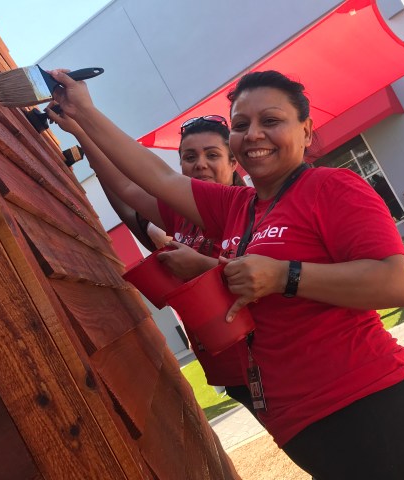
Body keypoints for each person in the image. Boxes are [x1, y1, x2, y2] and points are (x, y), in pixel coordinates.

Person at [50, 68, 404, 479]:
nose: (254, 134)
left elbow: (393, 284)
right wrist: (84, 114)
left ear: (305, 129)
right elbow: (154, 178)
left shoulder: (333, 186)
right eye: (242, 125)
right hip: (297, 422)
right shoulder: (236, 206)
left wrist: (285, 275)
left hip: (372, 404)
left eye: (271, 120)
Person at [47, 106, 255, 413]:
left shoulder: (249, 210)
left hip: (263, 360)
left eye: (212, 155)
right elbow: (128, 190)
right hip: (225, 365)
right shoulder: (182, 213)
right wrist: (81, 133)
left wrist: (201, 266)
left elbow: (270, 278)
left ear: (233, 161)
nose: (200, 165)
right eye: (190, 157)